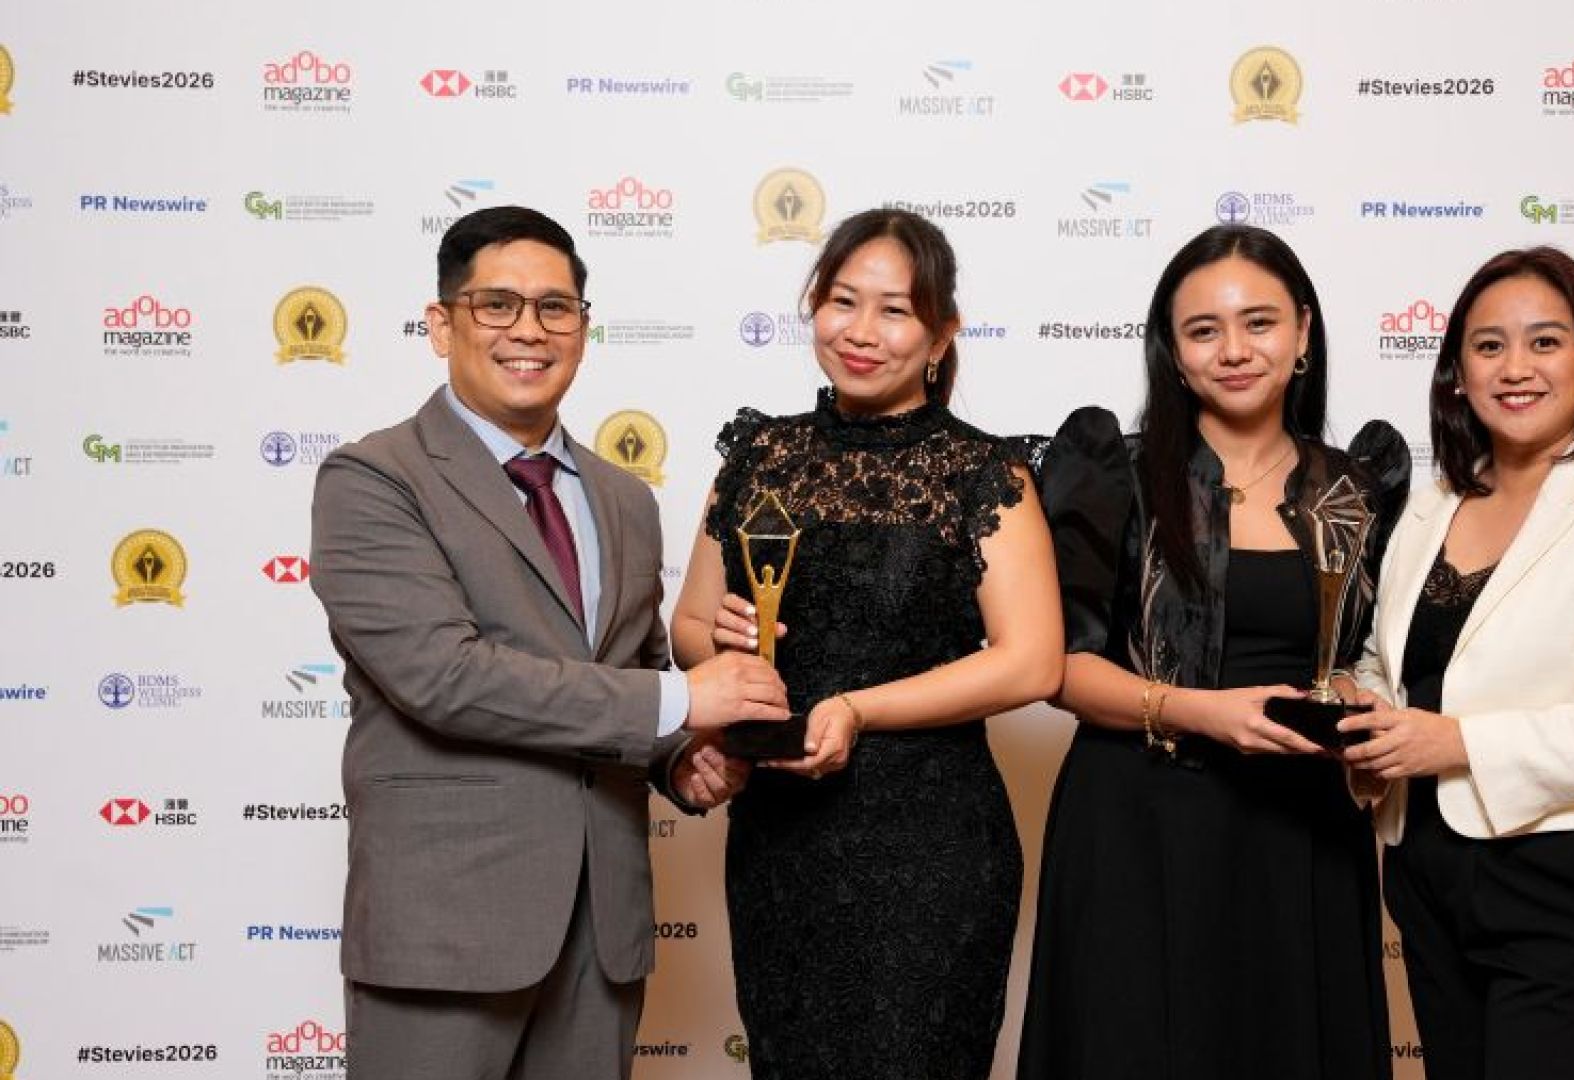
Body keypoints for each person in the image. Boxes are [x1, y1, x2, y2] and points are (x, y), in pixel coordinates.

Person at [310, 206, 788, 1080]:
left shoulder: (623, 499)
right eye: (497, 305)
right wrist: (686, 699)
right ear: (440, 325)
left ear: (582, 329)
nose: (529, 330)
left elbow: (633, 673)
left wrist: (682, 759)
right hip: (447, 928)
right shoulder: (376, 479)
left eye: (555, 307)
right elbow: (443, 676)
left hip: (602, 929)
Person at [671, 208, 1063, 1080]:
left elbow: (1032, 659)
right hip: (781, 841)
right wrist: (722, 645)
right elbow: (687, 627)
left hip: (932, 844)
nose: (860, 331)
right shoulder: (759, 457)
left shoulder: (981, 472)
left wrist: (856, 708)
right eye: (842, 301)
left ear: (941, 335)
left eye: (894, 311)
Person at [1018, 224, 1407, 1080]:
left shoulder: (1359, 486)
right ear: (1173, 351)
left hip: (1303, 832)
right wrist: (1198, 712)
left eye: (1259, 323)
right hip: (1138, 821)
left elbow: (1366, 654)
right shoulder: (1112, 471)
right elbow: (1060, 668)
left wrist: (1353, 692)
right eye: (1204, 330)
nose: (1234, 350)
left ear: (1303, 333)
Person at [1339, 247, 1574, 1080]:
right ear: (1456, 375)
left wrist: (1456, 743)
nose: (1515, 368)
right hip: (1425, 871)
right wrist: (1358, 719)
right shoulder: (1430, 508)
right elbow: (1386, 665)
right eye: (1488, 346)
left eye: (1545, 342)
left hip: (1571, 884)